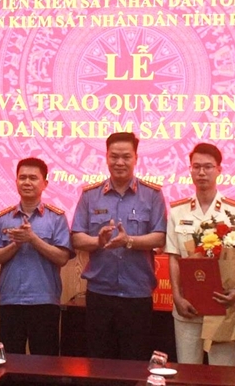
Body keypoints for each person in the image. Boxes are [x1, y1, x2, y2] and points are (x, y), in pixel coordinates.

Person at [70, 132, 167, 360]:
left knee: (134, 363)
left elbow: (160, 238)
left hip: (137, 293)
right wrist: (98, 241)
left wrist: (129, 241)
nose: (120, 162)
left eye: (126, 156)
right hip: (100, 293)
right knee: (99, 361)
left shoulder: (152, 194)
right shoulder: (90, 195)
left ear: (136, 158)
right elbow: (77, 238)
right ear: (106, 157)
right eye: (114, 156)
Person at [165, 142, 235, 365]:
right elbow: (174, 257)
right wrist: (177, 297)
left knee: (222, 373)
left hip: (222, 304)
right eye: (196, 167)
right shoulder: (177, 211)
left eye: (208, 167)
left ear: (219, 170)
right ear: (190, 170)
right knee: (187, 370)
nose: (202, 172)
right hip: (188, 304)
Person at [0, 157, 74, 355]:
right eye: (22, 177)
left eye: (33, 178)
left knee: (45, 364)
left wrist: (32, 239)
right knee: (10, 362)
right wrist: (16, 244)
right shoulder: (2, 218)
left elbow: (62, 258)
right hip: (10, 302)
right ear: (16, 181)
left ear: (45, 183)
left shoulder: (56, 218)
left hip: (44, 301)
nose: (27, 182)